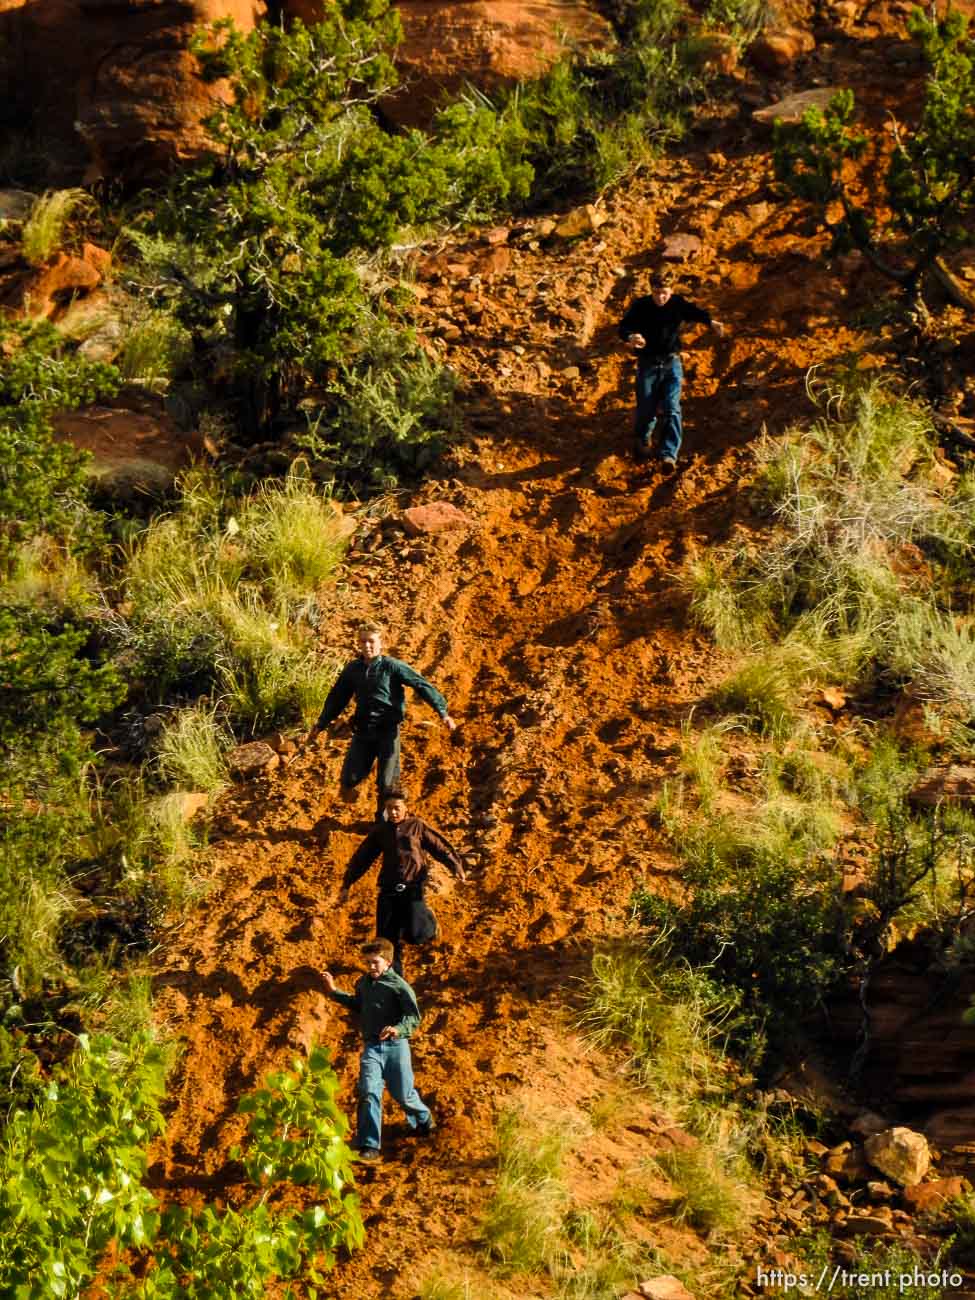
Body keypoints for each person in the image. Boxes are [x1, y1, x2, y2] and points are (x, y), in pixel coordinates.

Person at [307, 622, 456, 818]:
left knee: (387, 783)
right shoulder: (353, 669)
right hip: (363, 732)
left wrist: (442, 712)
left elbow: (421, 685)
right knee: (348, 779)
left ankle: (383, 824)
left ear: (380, 643)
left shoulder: (391, 666)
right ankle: (361, 788)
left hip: (388, 732)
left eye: (371, 641)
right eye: (363, 641)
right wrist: (321, 723)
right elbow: (337, 697)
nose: (367, 646)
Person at [323, 938, 433, 1160]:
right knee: (368, 1091)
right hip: (372, 1046)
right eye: (368, 963)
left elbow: (413, 1017)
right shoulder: (363, 984)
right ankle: (369, 1144)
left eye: (375, 962)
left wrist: (397, 1029)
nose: (371, 967)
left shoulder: (399, 986)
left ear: (388, 962)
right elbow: (358, 1005)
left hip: (396, 1047)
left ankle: (423, 1119)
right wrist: (334, 991)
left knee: (403, 1095)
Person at [339, 790, 467, 975]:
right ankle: (395, 980)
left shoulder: (417, 826)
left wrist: (456, 866)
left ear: (406, 808)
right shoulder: (380, 831)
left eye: (397, 808)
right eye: (389, 808)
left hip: (413, 888)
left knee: (416, 934)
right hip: (388, 890)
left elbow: (439, 846)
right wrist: (347, 883)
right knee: (386, 941)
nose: (393, 812)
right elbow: (362, 858)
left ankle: (429, 924)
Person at [618, 271, 726, 470]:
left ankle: (669, 455)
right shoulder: (641, 306)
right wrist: (631, 337)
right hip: (648, 364)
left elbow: (696, 313)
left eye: (665, 293)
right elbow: (623, 327)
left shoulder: (677, 304)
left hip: (671, 363)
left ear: (672, 290)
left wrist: (712, 322)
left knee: (672, 408)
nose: (661, 297)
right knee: (646, 410)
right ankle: (643, 439)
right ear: (651, 290)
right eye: (657, 293)